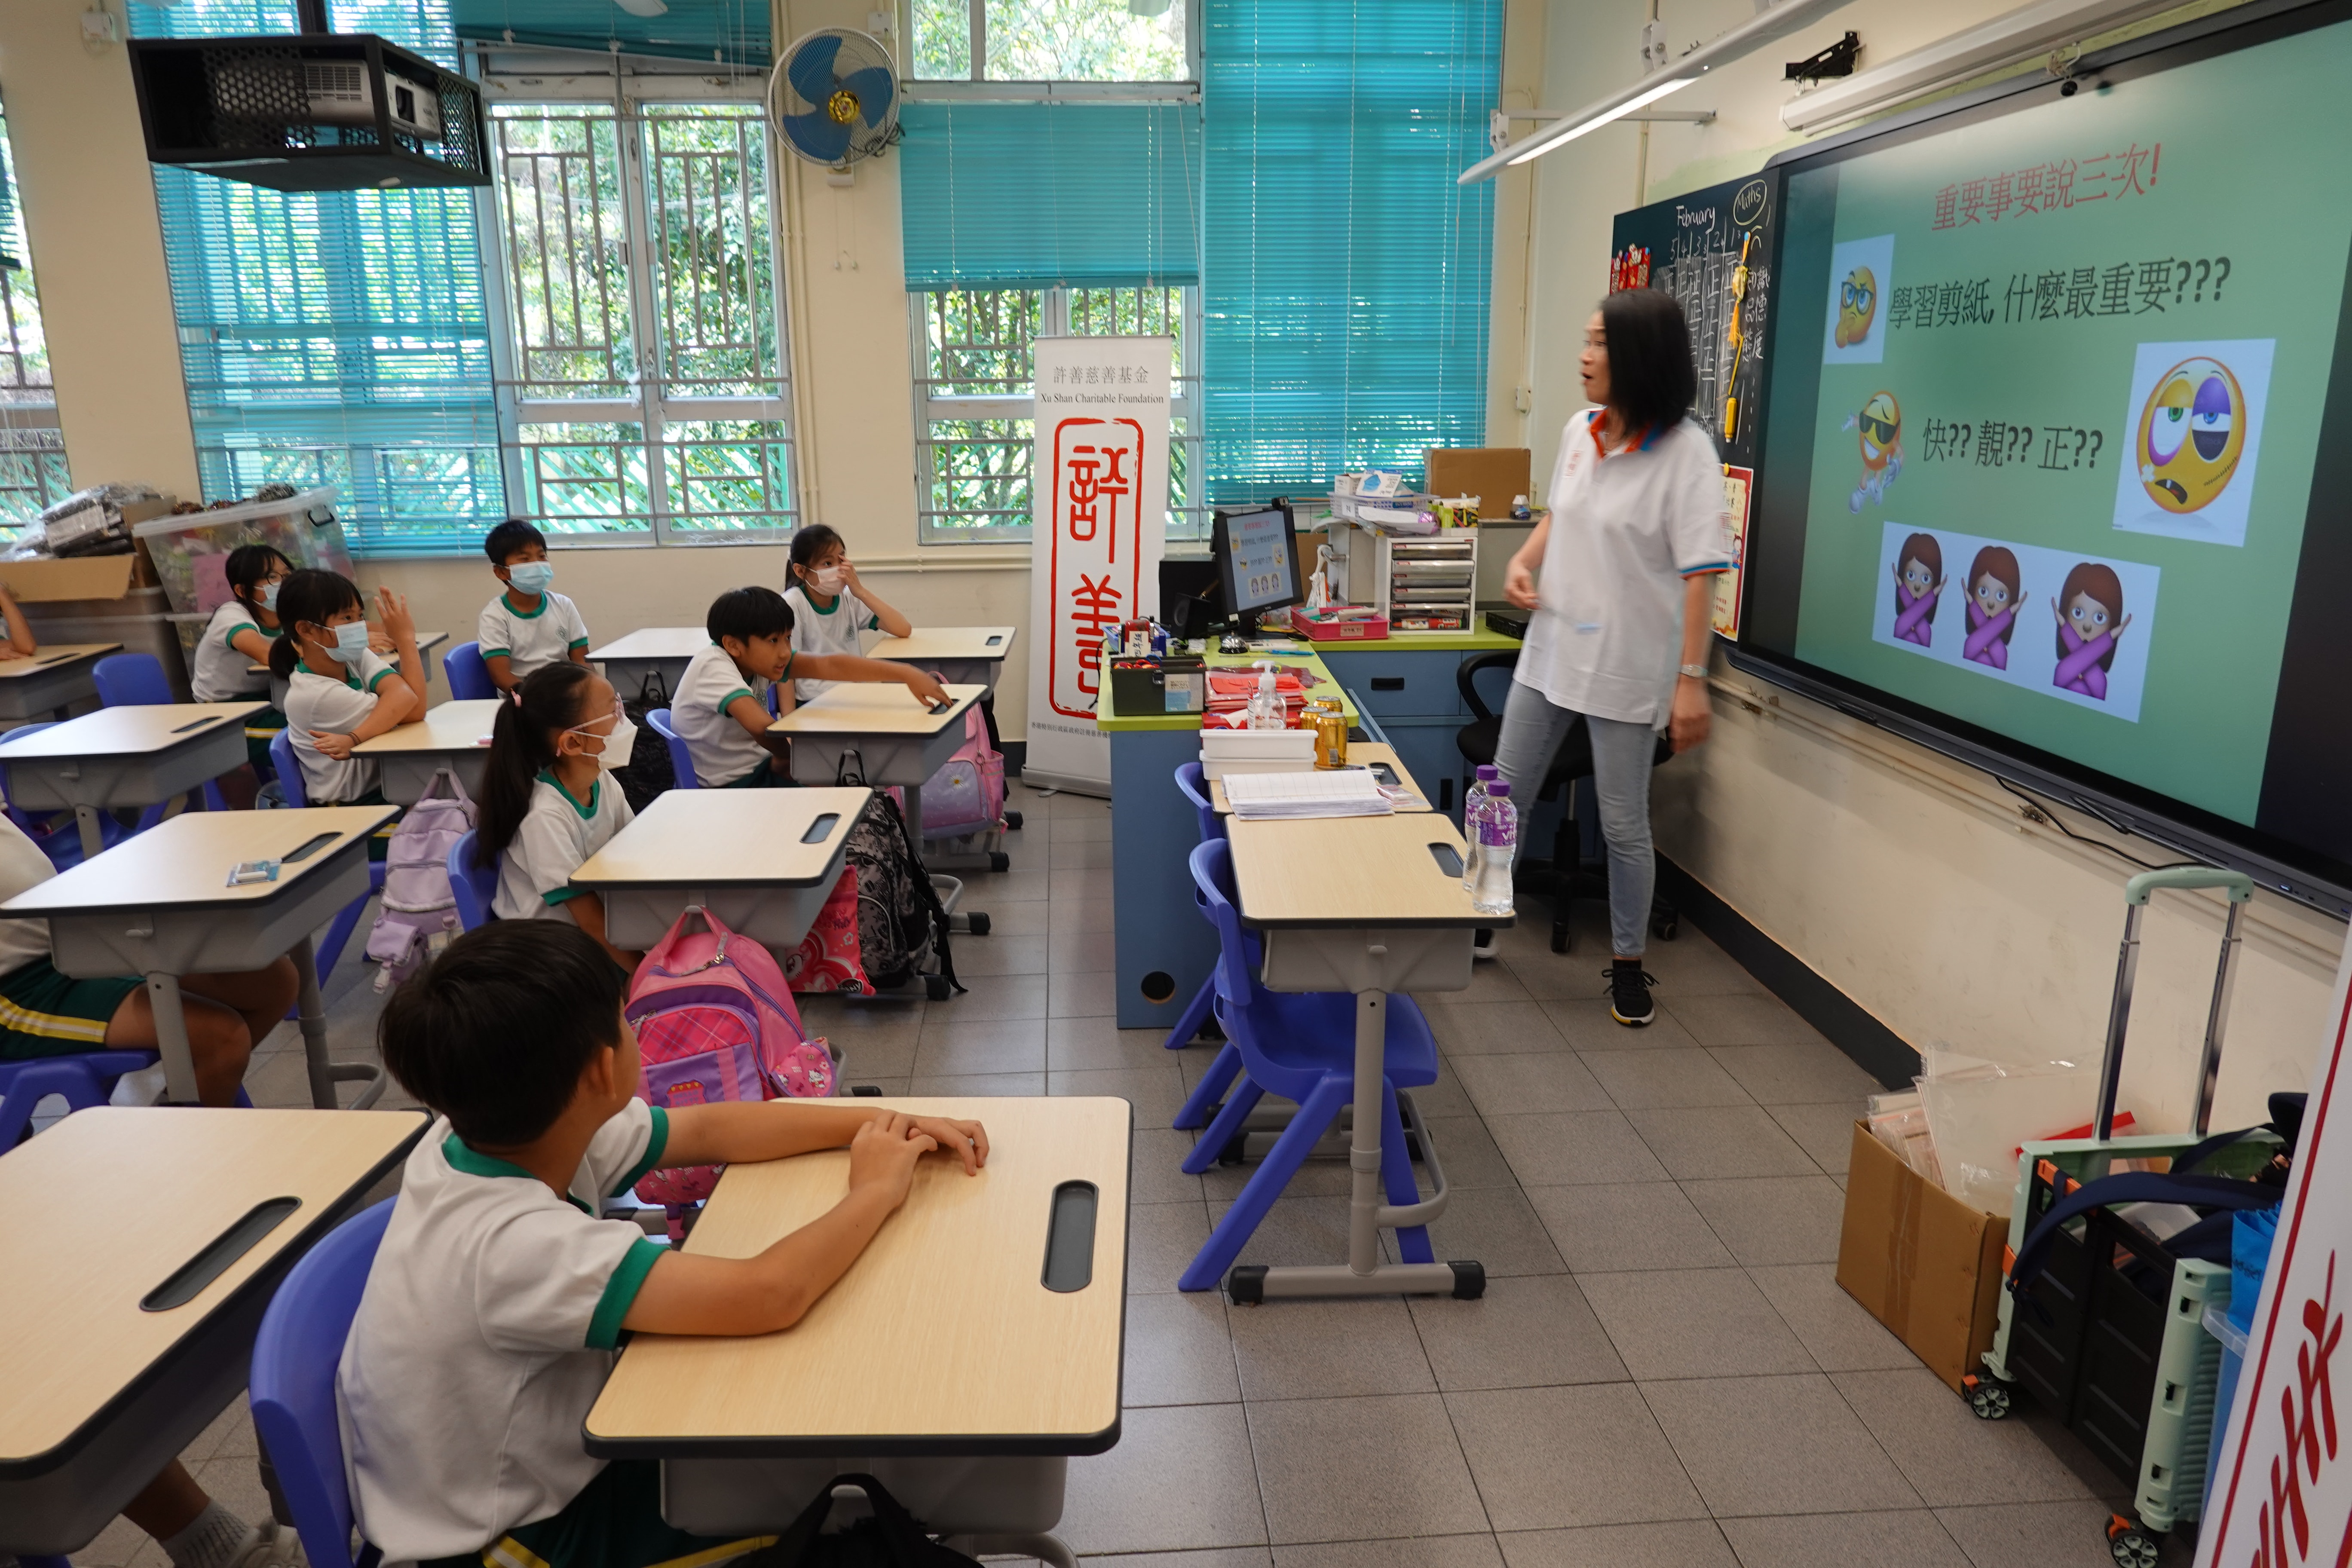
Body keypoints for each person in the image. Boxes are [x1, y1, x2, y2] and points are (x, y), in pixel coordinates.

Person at [340, 920, 990, 1567]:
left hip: (536, 1473)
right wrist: (875, 1190)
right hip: (515, 1540)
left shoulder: (494, 1128)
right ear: (602, 1070)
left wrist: (880, 1126)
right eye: (626, 1021)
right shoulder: (514, 1246)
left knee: (804, 1446)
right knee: (842, 1504)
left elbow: (708, 1129)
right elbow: (770, 1294)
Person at [1499, 288, 1731, 1027]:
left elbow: (1701, 574)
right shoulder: (1580, 429)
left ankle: (1628, 963)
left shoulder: (1687, 454)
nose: (1584, 356)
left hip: (1628, 663)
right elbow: (1561, 513)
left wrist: (1690, 681)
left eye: (1599, 343)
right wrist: (1524, 560)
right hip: (1553, 647)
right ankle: (1479, 915)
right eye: (1586, 339)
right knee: (1500, 795)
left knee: (1624, 824)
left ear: (1638, 356)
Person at [673, 586, 948, 788]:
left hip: (759, 768)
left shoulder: (757, 661)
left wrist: (905, 673)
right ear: (733, 645)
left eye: (787, 638)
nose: (785, 651)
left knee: (849, 780)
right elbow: (760, 727)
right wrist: (792, 758)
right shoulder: (713, 666)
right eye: (773, 641)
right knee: (844, 785)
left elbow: (830, 665)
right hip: (732, 785)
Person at [477, 663, 641, 971]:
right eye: (614, 712)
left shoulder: (602, 780)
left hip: (588, 933)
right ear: (573, 743)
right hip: (545, 957)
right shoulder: (544, 816)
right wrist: (646, 973)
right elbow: (591, 922)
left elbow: (634, 851)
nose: (624, 719)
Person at [270, 570, 427, 855]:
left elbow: (405, 697)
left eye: (359, 616)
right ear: (307, 630)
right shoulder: (316, 695)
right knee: (449, 837)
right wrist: (405, 640)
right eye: (346, 618)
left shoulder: (351, 655)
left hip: (383, 795)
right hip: (352, 817)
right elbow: (413, 707)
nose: (358, 626)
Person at [190, 544, 295, 774]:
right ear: (242, 590)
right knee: (309, 733)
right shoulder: (231, 616)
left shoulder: (290, 612)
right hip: (224, 714)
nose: (284, 583)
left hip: (266, 700)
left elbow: (338, 624)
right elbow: (269, 656)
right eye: (272, 577)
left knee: (327, 716)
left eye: (287, 575)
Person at [782, 523, 912, 704]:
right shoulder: (792, 604)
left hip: (855, 694)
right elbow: (785, 669)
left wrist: (861, 592)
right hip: (815, 701)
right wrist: (789, 720)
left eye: (841, 560)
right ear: (801, 571)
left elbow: (903, 629)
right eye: (828, 563)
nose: (840, 569)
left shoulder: (849, 597)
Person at [479, 519, 593, 692]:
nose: (537, 564)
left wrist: (591, 689)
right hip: (523, 696)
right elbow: (501, 676)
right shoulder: (495, 616)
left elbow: (582, 662)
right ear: (501, 572)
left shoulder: (564, 605)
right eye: (525, 559)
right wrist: (534, 699)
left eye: (542, 556)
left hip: (565, 694)